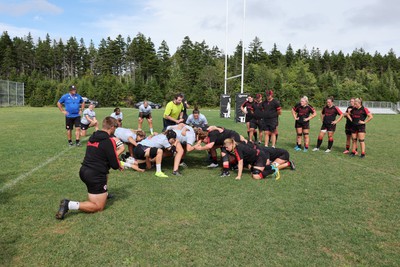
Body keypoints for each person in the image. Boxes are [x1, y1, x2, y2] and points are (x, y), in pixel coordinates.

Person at [55, 116, 124, 220]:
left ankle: (105, 193)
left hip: (84, 171)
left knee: (104, 172)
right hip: (95, 175)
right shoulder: (108, 141)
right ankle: (69, 204)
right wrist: (117, 163)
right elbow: (114, 165)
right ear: (112, 127)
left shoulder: (93, 136)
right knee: (98, 206)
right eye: (115, 127)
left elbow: (99, 154)